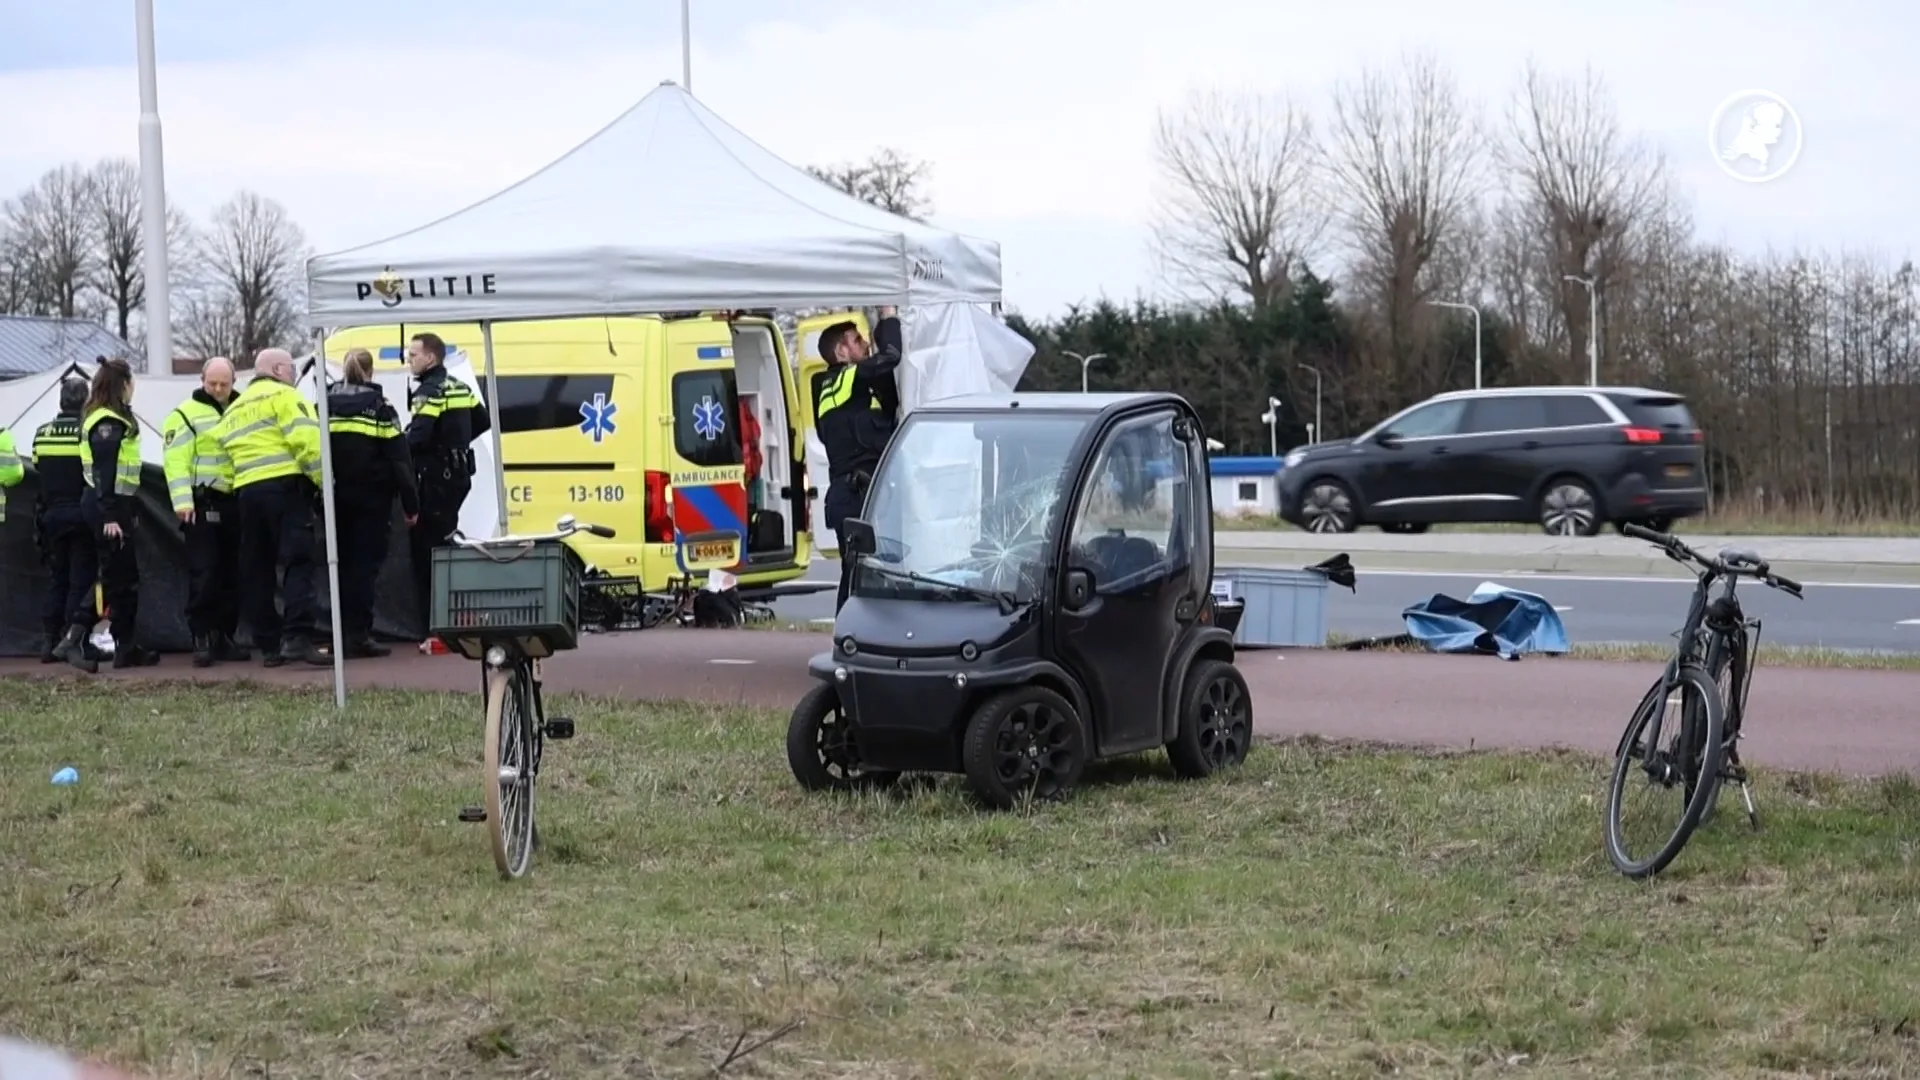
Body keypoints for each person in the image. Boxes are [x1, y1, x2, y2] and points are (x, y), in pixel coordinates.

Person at [212, 347, 325, 667]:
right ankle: (298, 637)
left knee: (257, 569)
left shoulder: (234, 409)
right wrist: (322, 483)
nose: (292, 375)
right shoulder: (285, 397)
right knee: (298, 562)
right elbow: (308, 443)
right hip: (286, 489)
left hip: (247, 493)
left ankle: (269, 645)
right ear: (277, 370)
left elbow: (223, 458)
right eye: (289, 369)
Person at [321, 348, 419, 659]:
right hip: (372, 500)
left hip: (334, 498)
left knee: (339, 566)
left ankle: (337, 634)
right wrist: (411, 504)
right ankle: (358, 636)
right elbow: (400, 460)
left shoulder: (324, 404)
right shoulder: (379, 406)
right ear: (371, 372)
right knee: (363, 569)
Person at [813, 306, 903, 610]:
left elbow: (887, 400)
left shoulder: (838, 390)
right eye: (857, 340)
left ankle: (856, 640)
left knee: (864, 574)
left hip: (857, 492)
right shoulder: (845, 379)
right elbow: (891, 356)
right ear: (841, 351)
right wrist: (888, 317)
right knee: (859, 575)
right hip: (856, 494)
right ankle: (850, 641)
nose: (865, 344)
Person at [162, 356, 247, 667]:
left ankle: (224, 635)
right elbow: (176, 462)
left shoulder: (243, 409)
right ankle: (201, 636)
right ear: (201, 380)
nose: (218, 389)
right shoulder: (185, 414)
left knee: (231, 574)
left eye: (224, 384)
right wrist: (183, 502)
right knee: (205, 572)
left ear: (233, 383)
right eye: (212, 383)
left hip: (234, 501)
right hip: (201, 503)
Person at [404, 332, 488, 637]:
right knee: (447, 543)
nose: (409, 360)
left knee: (427, 553)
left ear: (430, 357)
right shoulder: (459, 386)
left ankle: (434, 627)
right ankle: (450, 616)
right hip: (459, 477)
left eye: (413, 355)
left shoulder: (429, 391)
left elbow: (418, 437)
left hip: (435, 479)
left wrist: (395, 450)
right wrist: (456, 441)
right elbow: (483, 420)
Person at [77, 356, 159, 668]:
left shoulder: (109, 417)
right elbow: (104, 471)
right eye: (131, 383)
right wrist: (110, 515)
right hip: (107, 508)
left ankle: (126, 645)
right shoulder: (108, 422)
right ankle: (76, 636)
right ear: (122, 385)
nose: (133, 389)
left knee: (124, 579)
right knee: (115, 578)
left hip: (114, 505)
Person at [32, 378, 101, 672]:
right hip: (82, 516)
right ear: (85, 401)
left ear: (61, 401)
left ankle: (48, 642)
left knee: (56, 579)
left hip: (51, 518)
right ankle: (74, 642)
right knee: (80, 581)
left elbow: (37, 465)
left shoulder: (42, 434)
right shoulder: (88, 433)